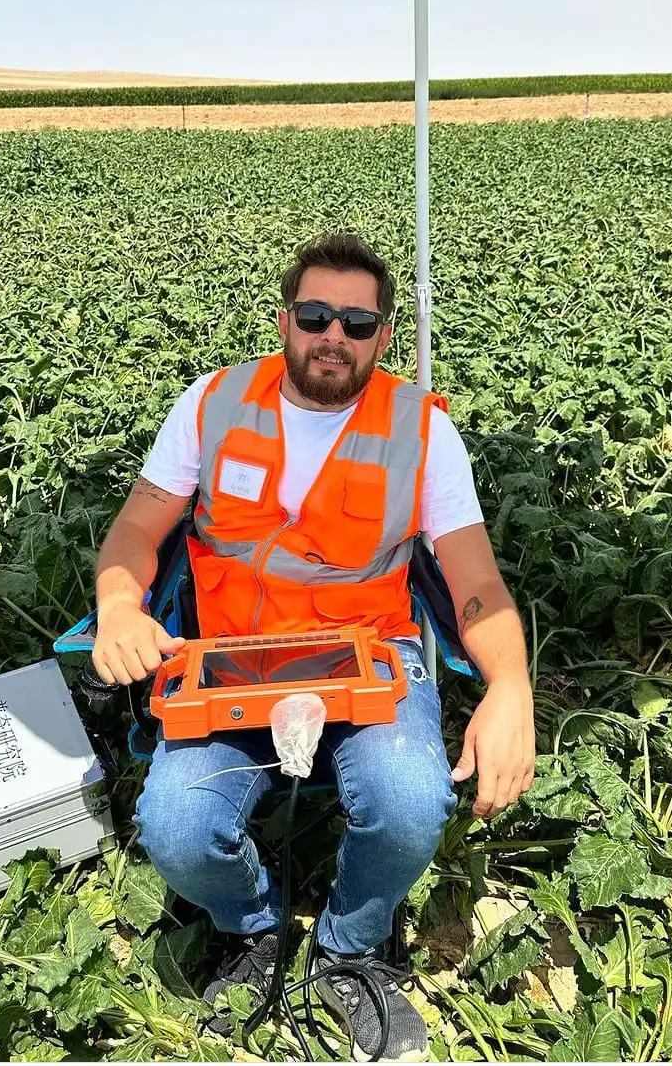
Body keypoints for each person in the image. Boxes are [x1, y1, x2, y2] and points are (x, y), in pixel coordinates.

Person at [93, 232, 536, 1060]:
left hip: (371, 654)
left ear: (383, 337)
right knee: (177, 828)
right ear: (285, 318)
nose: (334, 335)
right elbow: (135, 529)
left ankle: (352, 948)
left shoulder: (422, 432)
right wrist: (119, 605)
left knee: (410, 807)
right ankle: (254, 929)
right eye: (315, 314)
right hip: (233, 656)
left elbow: (476, 582)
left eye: (357, 324)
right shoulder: (211, 403)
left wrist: (511, 690)